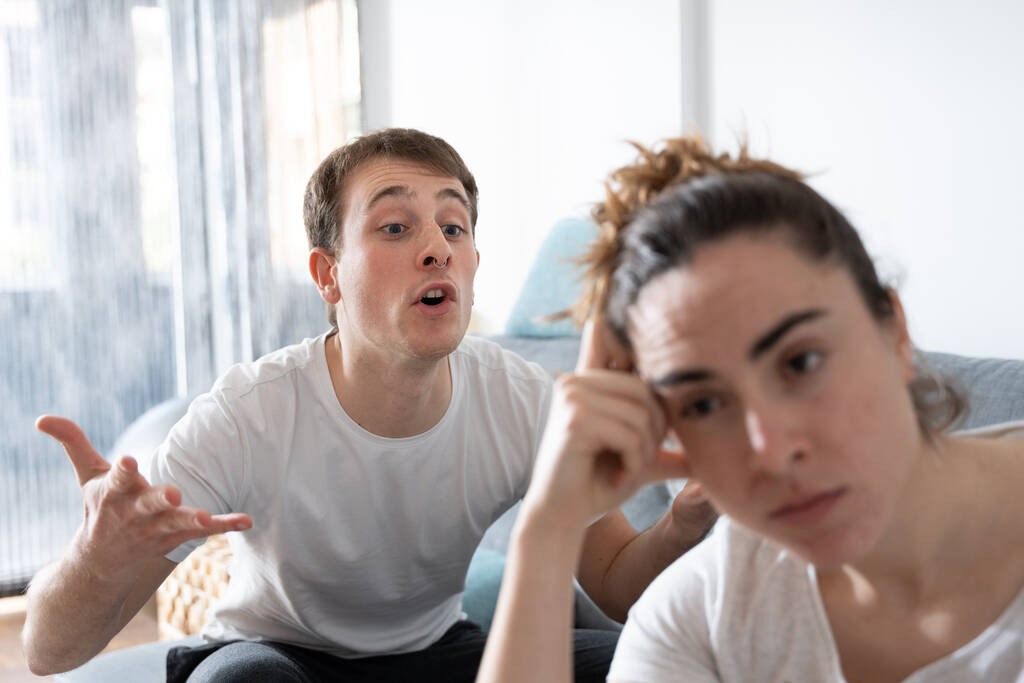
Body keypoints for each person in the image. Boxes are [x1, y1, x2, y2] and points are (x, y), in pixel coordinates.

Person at [22, 128, 715, 682]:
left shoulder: (524, 396)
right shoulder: (250, 411)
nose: (435, 248)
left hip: (437, 652)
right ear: (329, 274)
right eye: (393, 227)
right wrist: (95, 555)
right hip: (278, 653)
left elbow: (620, 581)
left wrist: (685, 520)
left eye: (454, 226)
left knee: (638, 662)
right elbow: (47, 653)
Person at [477, 135, 1024, 682]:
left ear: (895, 332)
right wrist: (548, 532)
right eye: (706, 403)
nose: (772, 450)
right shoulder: (703, 615)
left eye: (802, 362)